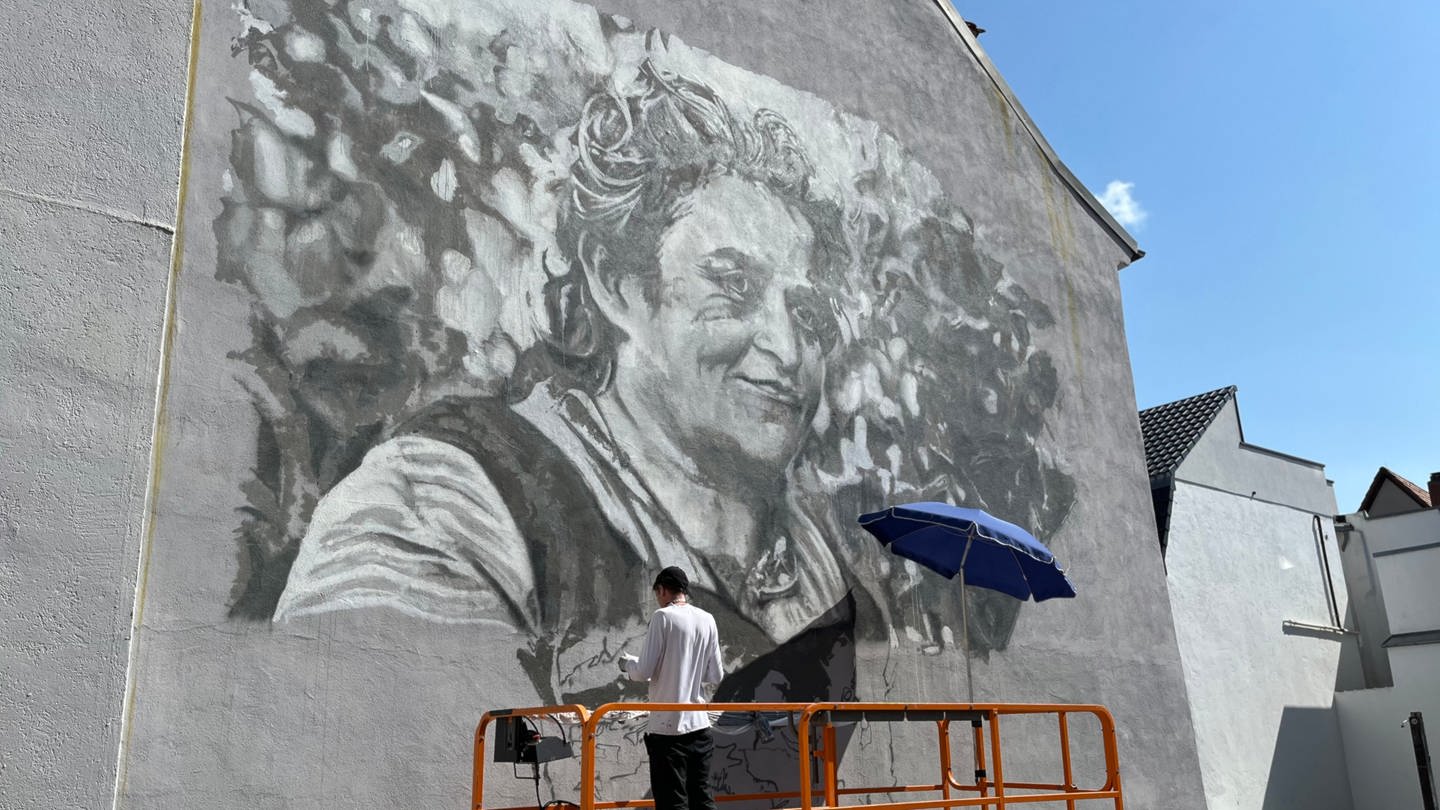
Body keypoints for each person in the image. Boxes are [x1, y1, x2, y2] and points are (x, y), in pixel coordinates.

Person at [273, 59, 856, 709]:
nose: (786, 345)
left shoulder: (813, 558)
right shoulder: (446, 503)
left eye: (808, 314)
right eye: (733, 287)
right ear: (616, 283)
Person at [620, 566, 724, 810]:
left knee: (672, 803)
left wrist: (626, 664)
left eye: (657, 593)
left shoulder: (663, 617)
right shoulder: (707, 619)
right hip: (699, 727)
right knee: (703, 799)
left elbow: (644, 671)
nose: (658, 598)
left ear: (663, 590)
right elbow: (716, 674)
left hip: (668, 730)